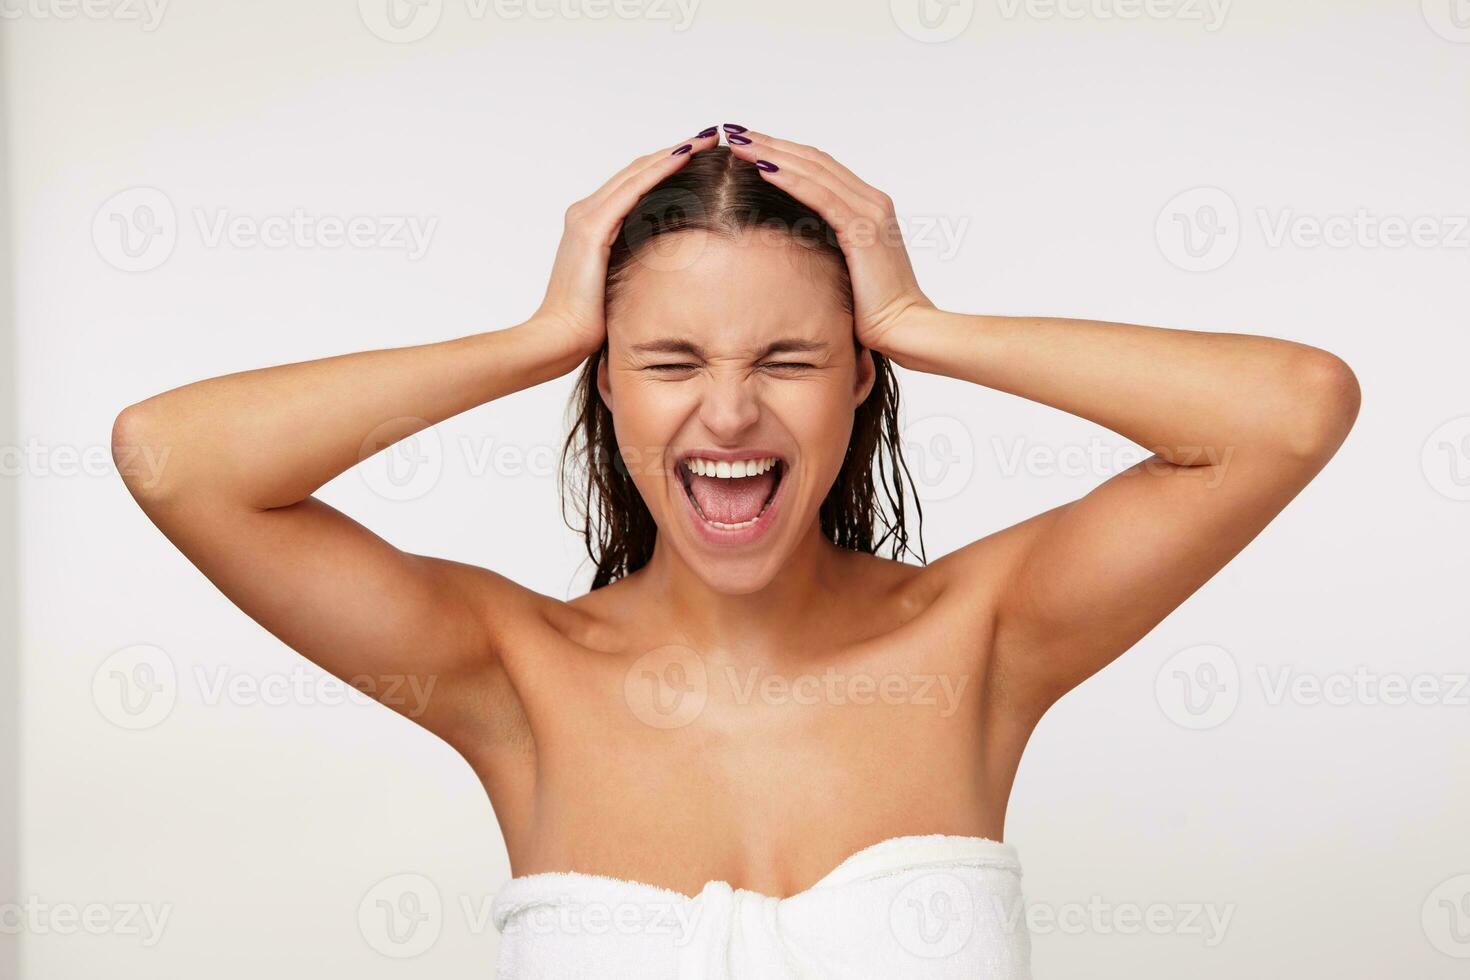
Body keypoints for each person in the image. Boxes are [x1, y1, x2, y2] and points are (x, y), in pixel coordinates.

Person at [112, 124, 1361, 978]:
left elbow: (1293, 409)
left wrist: (925, 318)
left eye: (788, 358)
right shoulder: (511, 672)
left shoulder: (978, 637)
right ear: (604, 385)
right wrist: (538, 335)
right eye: (669, 361)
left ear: (861, 376)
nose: (727, 413)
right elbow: (173, 454)